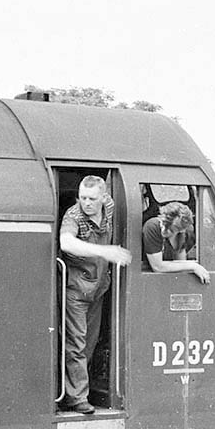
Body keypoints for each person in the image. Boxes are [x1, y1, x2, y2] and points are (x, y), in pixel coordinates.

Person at [60, 175, 132, 414]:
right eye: (82, 197)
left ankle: (79, 391)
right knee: (76, 345)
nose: (86, 203)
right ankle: (76, 398)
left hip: (98, 288)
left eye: (92, 198)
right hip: (77, 290)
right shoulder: (73, 216)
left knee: (89, 343)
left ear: (103, 197)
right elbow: (67, 243)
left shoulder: (110, 206)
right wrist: (105, 251)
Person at [142, 201, 210, 283]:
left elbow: (181, 263)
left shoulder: (183, 233)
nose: (165, 232)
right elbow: (157, 267)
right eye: (164, 225)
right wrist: (193, 266)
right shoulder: (153, 226)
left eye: (172, 230)